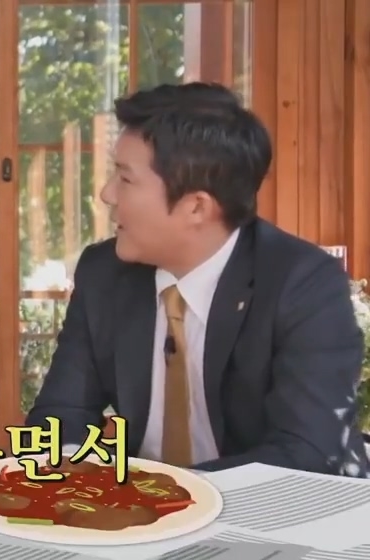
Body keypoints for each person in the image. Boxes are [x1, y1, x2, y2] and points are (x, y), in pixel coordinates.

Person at [26, 82, 368, 477]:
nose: (106, 194)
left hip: (274, 507)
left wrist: (167, 494)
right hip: (144, 505)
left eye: (125, 179)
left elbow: (305, 453)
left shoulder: (303, 284)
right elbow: (61, 415)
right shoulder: (104, 273)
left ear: (196, 207)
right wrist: (72, 473)